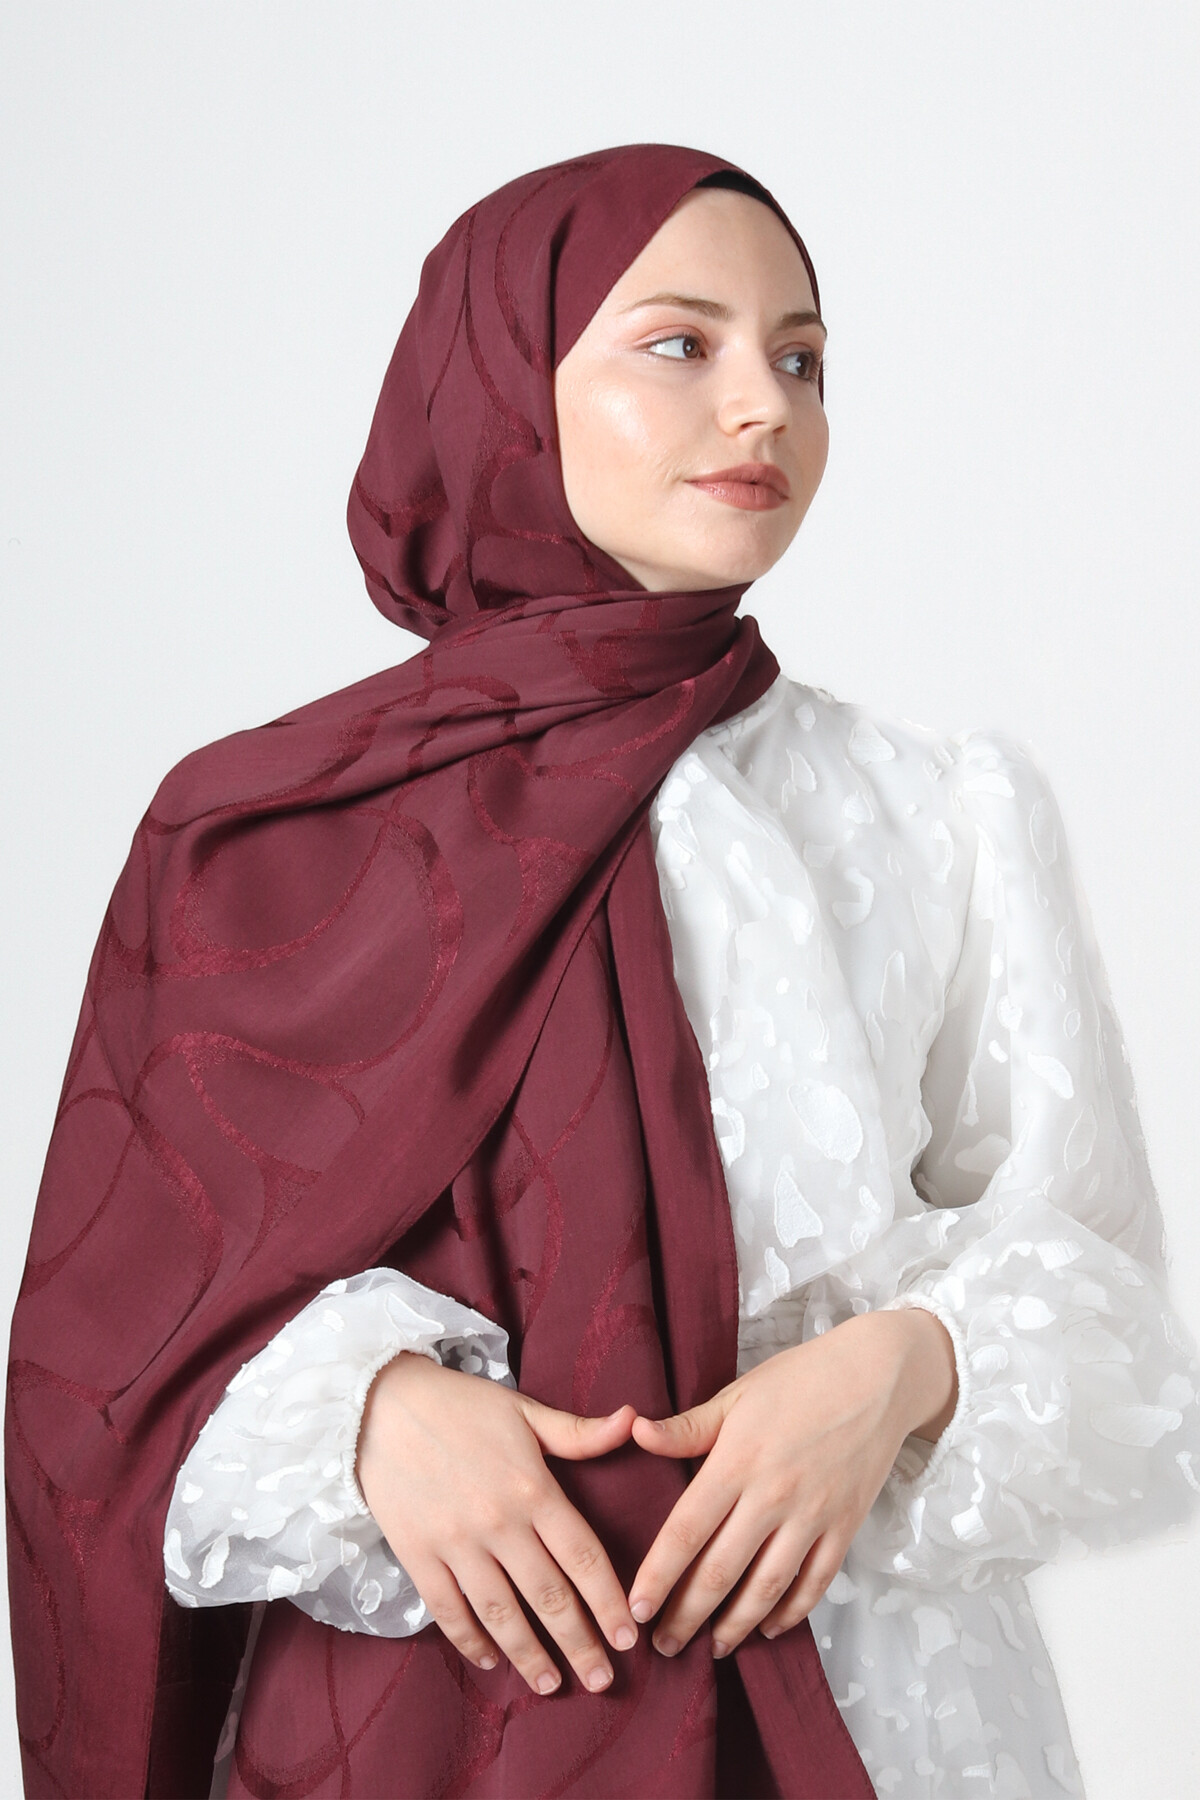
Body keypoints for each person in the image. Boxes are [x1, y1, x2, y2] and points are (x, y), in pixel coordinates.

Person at [7, 143, 1198, 1800]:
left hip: (874, 1688)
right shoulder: (262, 829)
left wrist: (903, 1369)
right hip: (413, 1693)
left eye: (802, 358)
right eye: (680, 344)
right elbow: (109, 1348)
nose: (762, 406)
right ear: (503, 383)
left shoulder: (937, 811)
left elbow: (1100, 1293)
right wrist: (365, 1413)